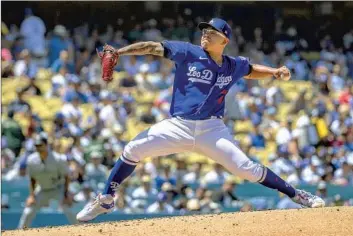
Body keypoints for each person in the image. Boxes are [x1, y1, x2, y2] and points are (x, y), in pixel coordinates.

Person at [76, 18, 325, 222]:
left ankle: (296, 195)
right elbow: (152, 47)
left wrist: (274, 72)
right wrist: (119, 51)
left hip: (212, 130)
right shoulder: (188, 52)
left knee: (248, 169)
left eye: (212, 31)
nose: (205, 33)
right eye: (204, 30)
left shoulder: (232, 65)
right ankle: (106, 199)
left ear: (224, 40)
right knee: (132, 149)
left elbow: (250, 71)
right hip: (178, 125)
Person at [18, 133, 78, 228]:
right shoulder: (31, 160)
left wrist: (66, 194)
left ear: (46, 145)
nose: (38, 147)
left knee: (69, 210)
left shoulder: (58, 158)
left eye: (40, 145)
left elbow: (66, 176)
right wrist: (32, 195)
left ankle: (81, 230)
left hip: (58, 188)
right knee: (28, 210)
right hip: (42, 189)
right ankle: (20, 233)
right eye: (36, 145)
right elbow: (32, 179)